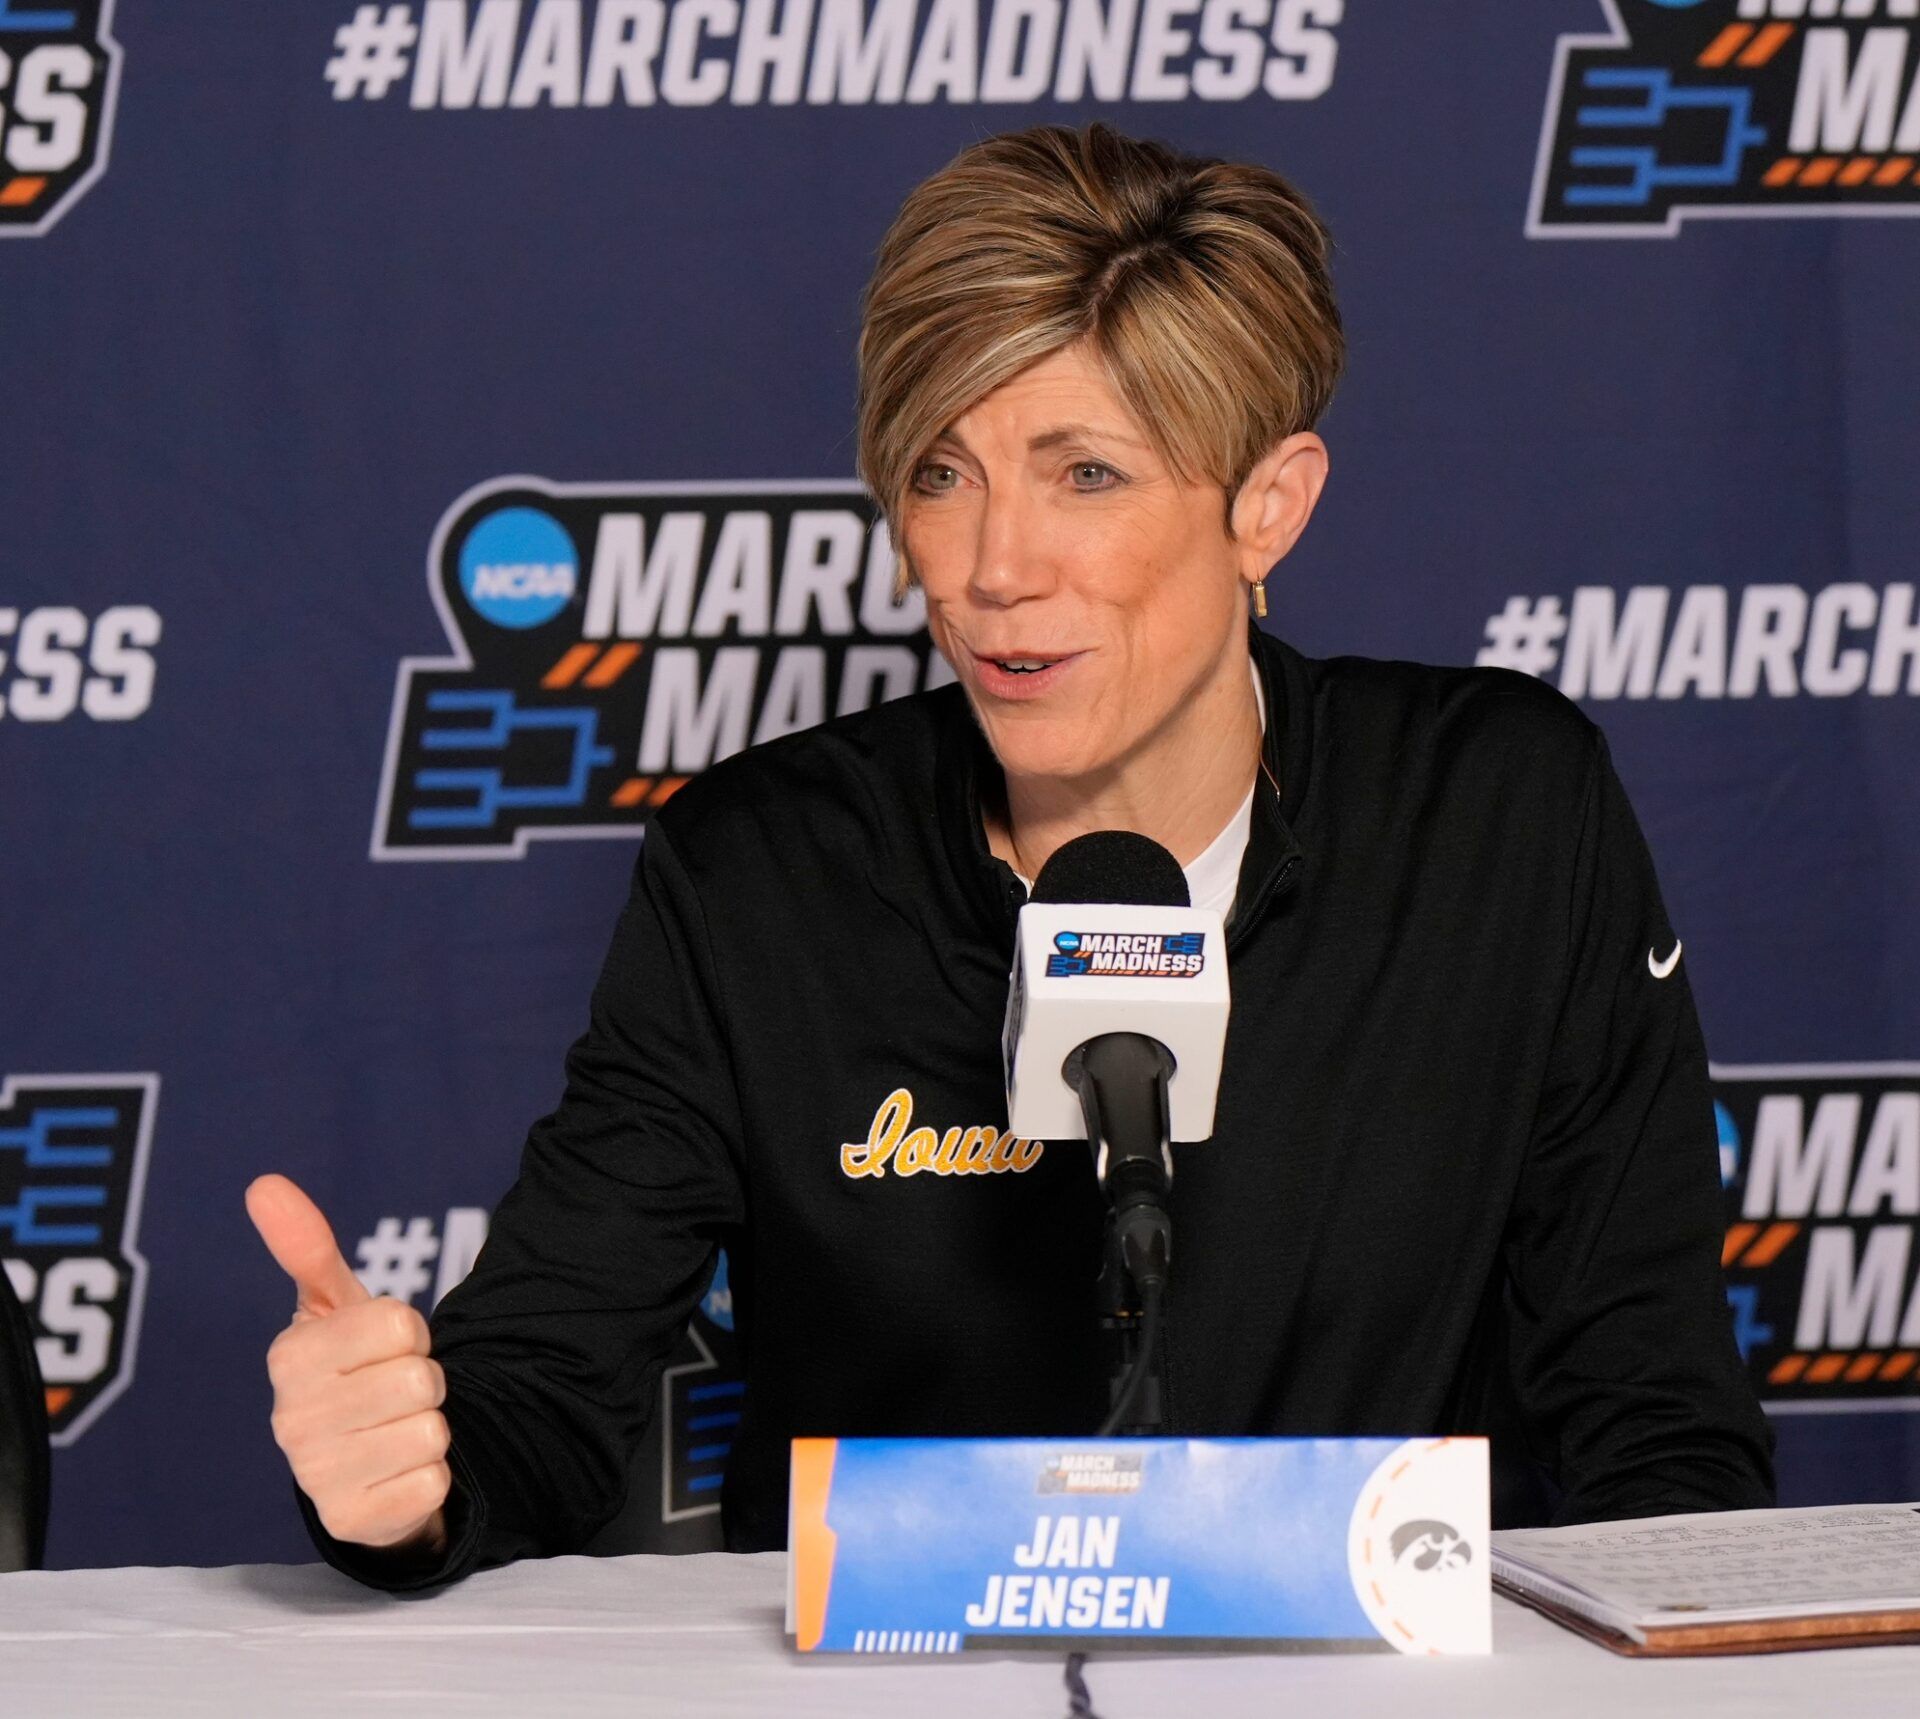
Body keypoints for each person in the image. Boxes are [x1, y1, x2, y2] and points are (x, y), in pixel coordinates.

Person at [247, 121, 1774, 1595]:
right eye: (940, 472)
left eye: (1084, 475)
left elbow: (1654, 1419)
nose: (990, 569)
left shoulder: (1500, 816)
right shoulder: (759, 872)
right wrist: (411, 1481)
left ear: (1269, 507)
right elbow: (541, 1387)